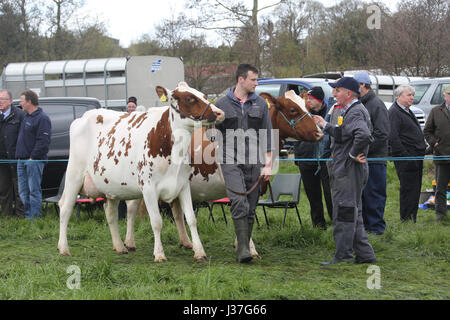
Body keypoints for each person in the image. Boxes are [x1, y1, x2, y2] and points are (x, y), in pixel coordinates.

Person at [314, 77, 376, 266]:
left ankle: (343, 255)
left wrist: (352, 154)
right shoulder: (351, 110)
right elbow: (343, 134)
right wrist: (325, 125)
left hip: (349, 170)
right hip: (350, 169)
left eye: (337, 90)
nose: (333, 94)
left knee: (344, 211)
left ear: (349, 93)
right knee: (352, 212)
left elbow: (364, 135)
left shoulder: (355, 112)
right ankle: (365, 254)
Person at [215, 64, 273, 263]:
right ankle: (242, 250)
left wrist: (268, 165)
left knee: (251, 206)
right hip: (230, 160)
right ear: (241, 79)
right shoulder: (221, 104)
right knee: (239, 201)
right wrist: (214, 122)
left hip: (255, 162)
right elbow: (209, 133)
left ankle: (243, 245)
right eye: (253, 80)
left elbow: (267, 135)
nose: (256, 83)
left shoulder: (261, 104)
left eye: (257, 80)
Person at [353, 72, 390, 235]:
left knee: (374, 194)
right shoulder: (360, 104)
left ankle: (376, 229)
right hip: (364, 158)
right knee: (364, 195)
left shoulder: (376, 104)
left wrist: (364, 149)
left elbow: (382, 133)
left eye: (355, 85)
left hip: (375, 159)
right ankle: (366, 227)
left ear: (362, 85)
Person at [294, 87, 333, 229]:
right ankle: (318, 226)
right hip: (306, 159)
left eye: (311, 98)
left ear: (319, 100)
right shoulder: (302, 114)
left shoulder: (329, 113)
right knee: (313, 195)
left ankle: (336, 223)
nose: (308, 101)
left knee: (330, 195)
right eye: (307, 98)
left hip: (324, 160)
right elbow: (296, 135)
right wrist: (298, 158)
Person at [388, 85, 426, 223]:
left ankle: (412, 219)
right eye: (409, 95)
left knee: (415, 190)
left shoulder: (407, 111)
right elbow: (393, 137)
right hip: (407, 158)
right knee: (408, 190)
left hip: (416, 156)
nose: (412, 97)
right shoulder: (394, 112)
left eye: (412, 95)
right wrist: (405, 156)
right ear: (399, 96)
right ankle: (407, 220)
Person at [15, 90, 52, 219]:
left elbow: (43, 142)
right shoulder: (26, 117)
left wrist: (32, 157)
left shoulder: (42, 118)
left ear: (29, 101)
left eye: (21, 101)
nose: (20, 104)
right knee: (22, 192)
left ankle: (35, 219)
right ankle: (28, 216)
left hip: (34, 161)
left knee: (34, 191)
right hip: (21, 160)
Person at [423, 84, 450, 222]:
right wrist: (434, 143)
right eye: (449, 95)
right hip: (441, 156)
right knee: (440, 188)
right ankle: (440, 215)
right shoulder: (435, 111)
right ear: (444, 96)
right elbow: (427, 131)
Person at [0, 90, 25, 217]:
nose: (0, 102)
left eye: (3, 99)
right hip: (2, 161)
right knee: (4, 189)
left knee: (19, 189)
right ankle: (6, 216)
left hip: (16, 159)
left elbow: (24, 137)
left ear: (10, 101)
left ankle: (21, 217)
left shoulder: (20, 115)